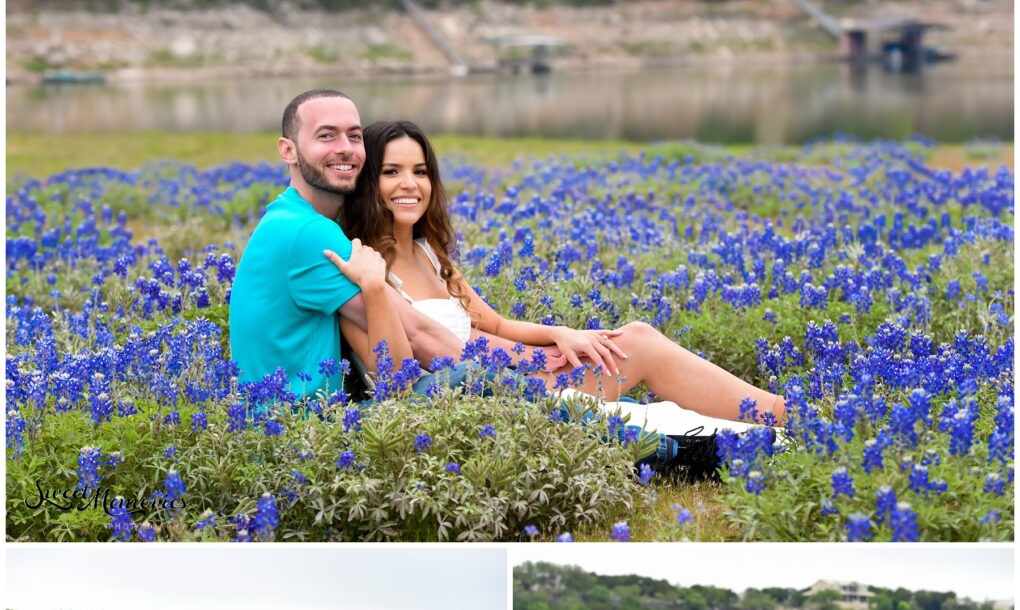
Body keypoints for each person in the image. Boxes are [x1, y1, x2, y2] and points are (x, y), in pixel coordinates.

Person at [329, 119, 787, 427]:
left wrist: (561, 334)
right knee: (640, 343)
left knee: (630, 336)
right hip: (473, 403)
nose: (411, 184)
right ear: (370, 183)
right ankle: (785, 416)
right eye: (392, 171)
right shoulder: (363, 265)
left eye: (421, 171)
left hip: (506, 376)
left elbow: (496, 325)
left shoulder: (430, 253)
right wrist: (539, 360)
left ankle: (777, 415)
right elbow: (394, 376)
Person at [229, 90, 470, 402]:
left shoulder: (290, 217)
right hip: (307, 434)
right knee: (480, 378)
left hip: (295, 426)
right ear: (288, 150)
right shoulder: (308, 231)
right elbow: (411, 346)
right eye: (326, 136)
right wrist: (516, 373)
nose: (345, 148)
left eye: (355, 137)